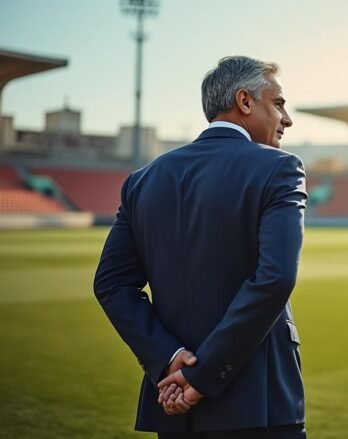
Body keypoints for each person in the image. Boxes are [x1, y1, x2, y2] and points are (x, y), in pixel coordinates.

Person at [94, 56, 307, 439]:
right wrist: (201, 375)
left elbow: (112, 285)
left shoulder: (142, 180)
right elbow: (275, 278)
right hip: (258, 404)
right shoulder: (279, 168)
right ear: (244, 101)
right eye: (278, 104)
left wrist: (171, 361)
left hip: (172, 403)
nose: (286, 119)